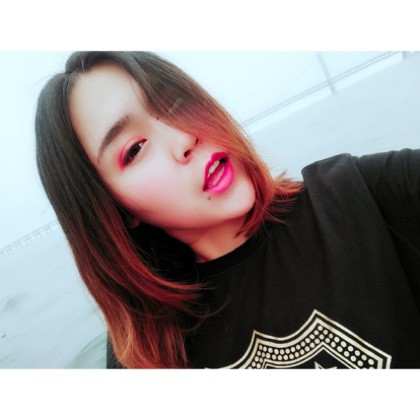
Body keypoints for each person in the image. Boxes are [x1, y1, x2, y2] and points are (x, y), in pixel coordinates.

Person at [35, 51, 420, 369]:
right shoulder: (145, 356)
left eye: (173, 103)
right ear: (116, 210)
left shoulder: (363, 195)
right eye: (135, 149)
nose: (184, 136)